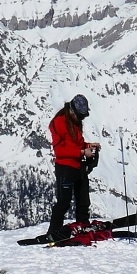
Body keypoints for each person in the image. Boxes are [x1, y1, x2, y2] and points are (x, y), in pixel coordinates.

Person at [46, 95, 95, 241]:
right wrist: (82, 152)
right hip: (65, 167)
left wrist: (88, 146)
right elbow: (60, 151)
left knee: (83, 199)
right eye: (80, 115)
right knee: (63, 202)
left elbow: (76, 143)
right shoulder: (59, 122)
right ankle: (53, 231)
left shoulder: (75, 121)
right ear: (73, 111)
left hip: (78, 165)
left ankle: (83, 224)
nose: (82, 118)